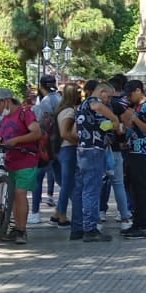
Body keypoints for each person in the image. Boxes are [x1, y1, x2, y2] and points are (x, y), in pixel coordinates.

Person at [70, 81, 119, 241]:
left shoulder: (83, 108)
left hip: (86, 149)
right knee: (92, 190)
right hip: (92, 151)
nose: (108, 101)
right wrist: (114, 118)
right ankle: (90, 228)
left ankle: (83, 226)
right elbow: (97, 106)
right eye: (108, 96)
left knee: (86, 189)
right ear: (102, 92)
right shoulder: (92, 102)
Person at [0, 88, 42, 244]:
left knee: (20, 193)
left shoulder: (25, 113)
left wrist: (17, 140)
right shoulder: (5, 119)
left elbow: (36, 132)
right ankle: (16, 227)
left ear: (6, 101)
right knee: (13, 195)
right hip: (10, 161)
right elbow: (2, 140)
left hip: (27, 159)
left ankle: (21, 230)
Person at [119, 80, 146, 239]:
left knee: (140, 189)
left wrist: (134, 118)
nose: (128, 98)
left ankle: (141, 225)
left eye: (130, 94)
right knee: (133, 188)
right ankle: (136, 223)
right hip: (133, 150)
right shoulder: (136, 107)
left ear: (138, 91)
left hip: (142, 152)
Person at [51, 83, 84, 229]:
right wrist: (79, 142)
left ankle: (58, 213)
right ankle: (61, 215)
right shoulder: (69, 111)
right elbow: (65, 133)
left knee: (66, 183)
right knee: (67, 184)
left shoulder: (60, 109)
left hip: (60, 150)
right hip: (68, 149)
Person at [30, 75, 61, 225]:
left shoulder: (45, 102)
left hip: (46, 146)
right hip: (61, 144)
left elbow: (46, 123)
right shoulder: (60, 99)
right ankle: (64, 211)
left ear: (41, 86)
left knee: (38, 179)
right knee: (63, 180)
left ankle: (35, 212)